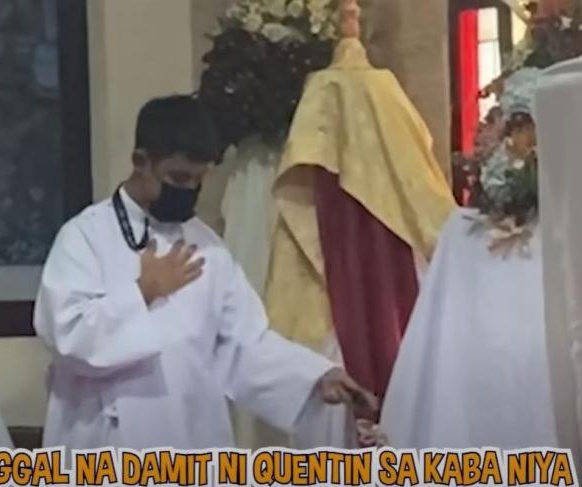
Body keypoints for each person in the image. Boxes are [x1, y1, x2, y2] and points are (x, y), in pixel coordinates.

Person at [33, 94, 378, 450]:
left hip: (191, 438)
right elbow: (66, 336)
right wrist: (142, 292)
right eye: (178, 177)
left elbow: (245, 343)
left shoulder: (207, 247)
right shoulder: (85, 236)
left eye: (197, 180)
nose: (188, 191)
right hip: (109, 444)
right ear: (141, 161)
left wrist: (315, 376)